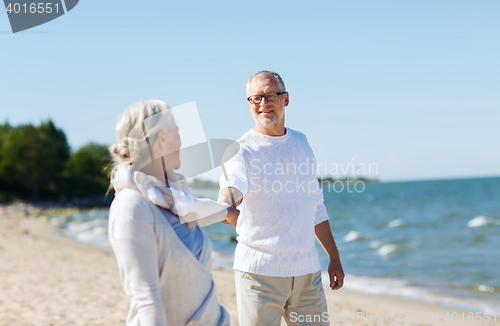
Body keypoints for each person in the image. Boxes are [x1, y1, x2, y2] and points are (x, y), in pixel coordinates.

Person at [218, 71, 345, 326]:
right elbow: (233, 184)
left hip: (307, 272)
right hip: (259, 275)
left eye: (271, 96)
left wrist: (334, 257)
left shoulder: (301, 142)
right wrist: (227, 204)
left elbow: (316, 204)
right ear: (249, 104)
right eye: (256, 98)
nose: (263, 103)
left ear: (286, 99)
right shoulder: (240, 150)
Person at [108, 100, 239, 326]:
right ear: (162, 139)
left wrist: (227, 212)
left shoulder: (174, 199)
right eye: (177, 133)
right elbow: (147, 302)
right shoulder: (132, 208)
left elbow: (199, 208)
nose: (181, 142)